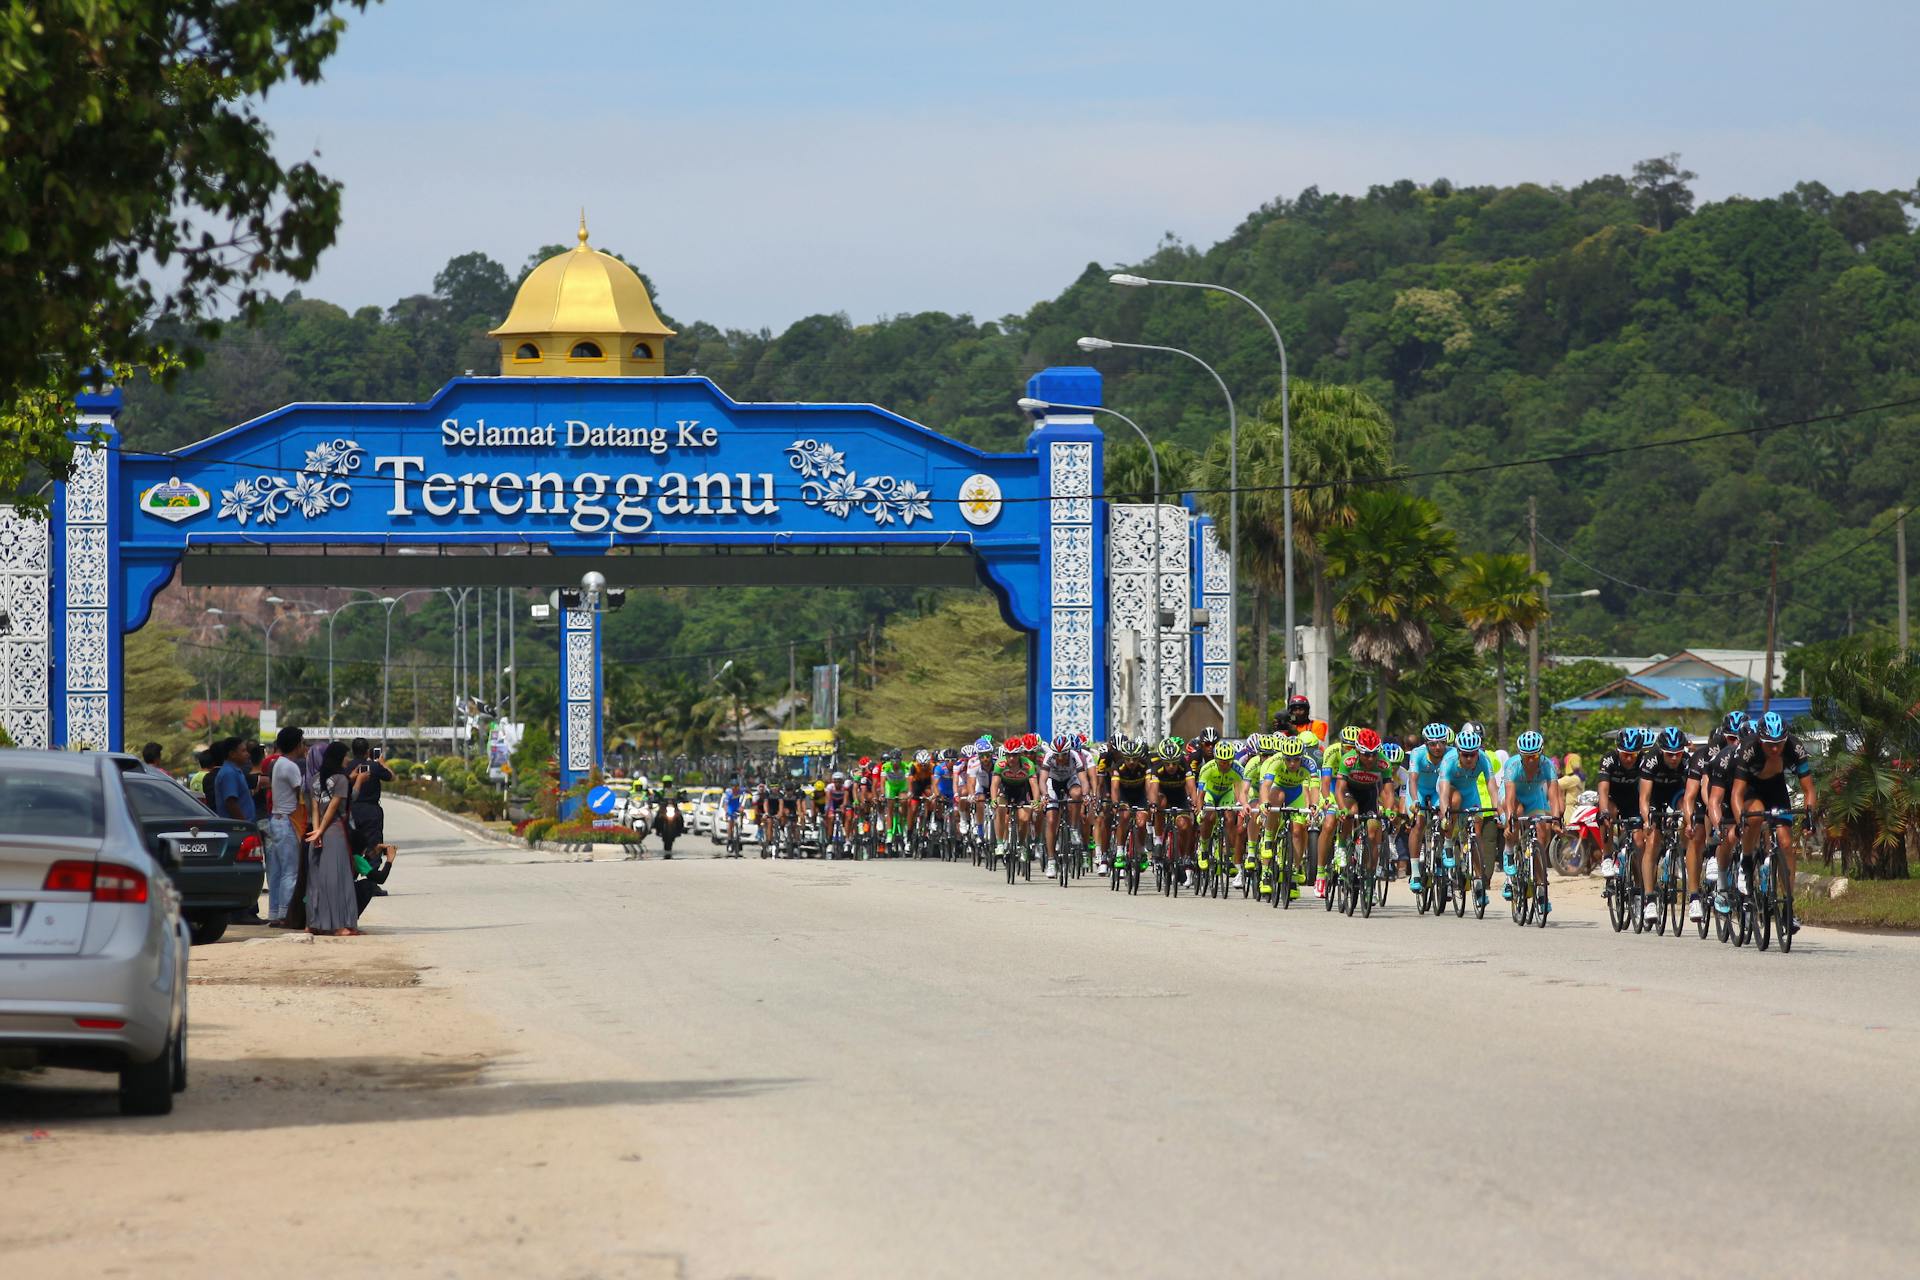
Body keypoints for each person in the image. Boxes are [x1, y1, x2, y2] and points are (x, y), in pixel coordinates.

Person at [305, 741, 362, 936]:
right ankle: (340, 925)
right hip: (334, 832)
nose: (348, 760)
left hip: (317, 833)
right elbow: (332, 808)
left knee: (316, 879)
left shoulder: (314, 779)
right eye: (346, 756)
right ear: (339, 758)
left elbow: (315, 809)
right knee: (337, 878)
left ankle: (313, 923)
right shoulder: (341, 780)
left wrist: (316, 831)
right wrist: (321, 831)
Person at [266, 726, 308, 927]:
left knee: (277, 870)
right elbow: (302, 792)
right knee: (290, 870)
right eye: (302, 742)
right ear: (296, 744)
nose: (304, 746)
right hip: (287, 821)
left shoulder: (278, 763)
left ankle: (275, 912)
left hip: (276, 819)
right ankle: (286, 913)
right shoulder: (290, 766)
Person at [347, 738, 396, 865]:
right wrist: (382, 763)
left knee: (351, 845)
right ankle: (372, 877)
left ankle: (352, 878)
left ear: (353, 751)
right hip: (371, 811)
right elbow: (392, 777)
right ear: (368, 751)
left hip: (351, 810)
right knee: (373, 845)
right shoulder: (374, 766)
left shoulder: (348, 767)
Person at [210, 736, 256, 824]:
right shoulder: (229, 773)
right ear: (232, 754)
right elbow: (231, 803)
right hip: (238, 828)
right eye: (243, 751)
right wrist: (244, 825)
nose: (248, 754)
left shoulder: (235, 770)